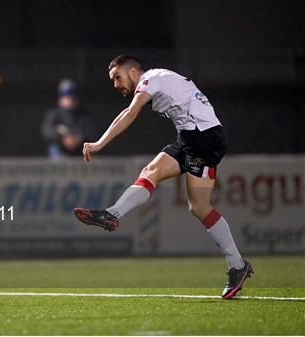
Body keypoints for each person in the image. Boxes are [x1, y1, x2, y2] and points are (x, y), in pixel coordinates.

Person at [73, 54, 253, 299]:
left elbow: (129, 113)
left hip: (205, 139)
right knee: (151, 171)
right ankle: (112, 214)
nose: (115, 84)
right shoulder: (158, 78)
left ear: (133, 72)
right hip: (189, 137)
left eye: (117, 77)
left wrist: (99, 143)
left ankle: (238, 265)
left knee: (199, 207)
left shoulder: (150, 79)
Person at [41, 79, 93, 159]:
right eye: (65, 94)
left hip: (78, 150)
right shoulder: (54, 113)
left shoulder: (82, 114)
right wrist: (62, 139)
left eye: (71, 94)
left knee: (87, 149)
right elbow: (46, 131)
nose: (68, 98)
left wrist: (78, 139)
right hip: (60, 149)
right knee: (53, 148)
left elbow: (89, 131)